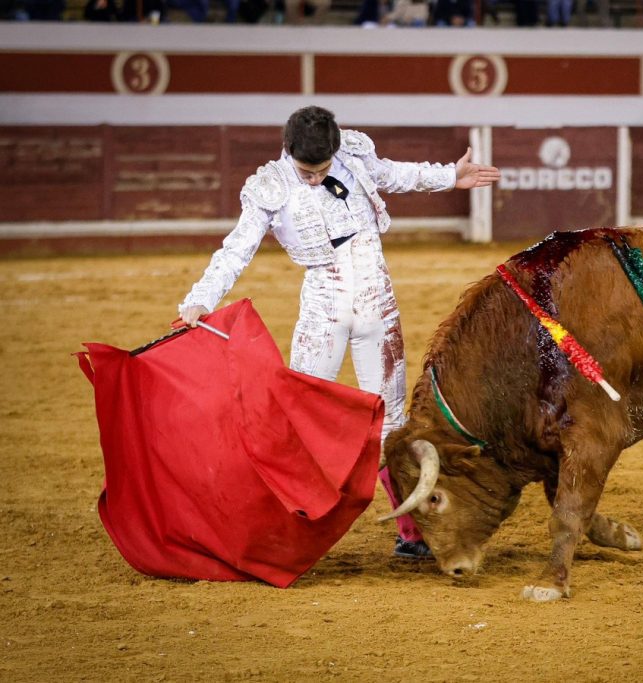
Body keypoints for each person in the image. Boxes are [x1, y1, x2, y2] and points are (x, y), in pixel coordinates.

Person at [177, 106, 500, 559]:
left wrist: (449, 176)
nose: (314, 179)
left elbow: (393, 174)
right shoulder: (270, 185)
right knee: (299, 420)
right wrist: (200, 299)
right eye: (306, 171)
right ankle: (286, 531)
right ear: (287, 150)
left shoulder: (353, 152)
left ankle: (411, 533)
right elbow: (236, 249)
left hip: (378, 304)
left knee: (392, 425)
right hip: (322, 312)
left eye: (322, 169)